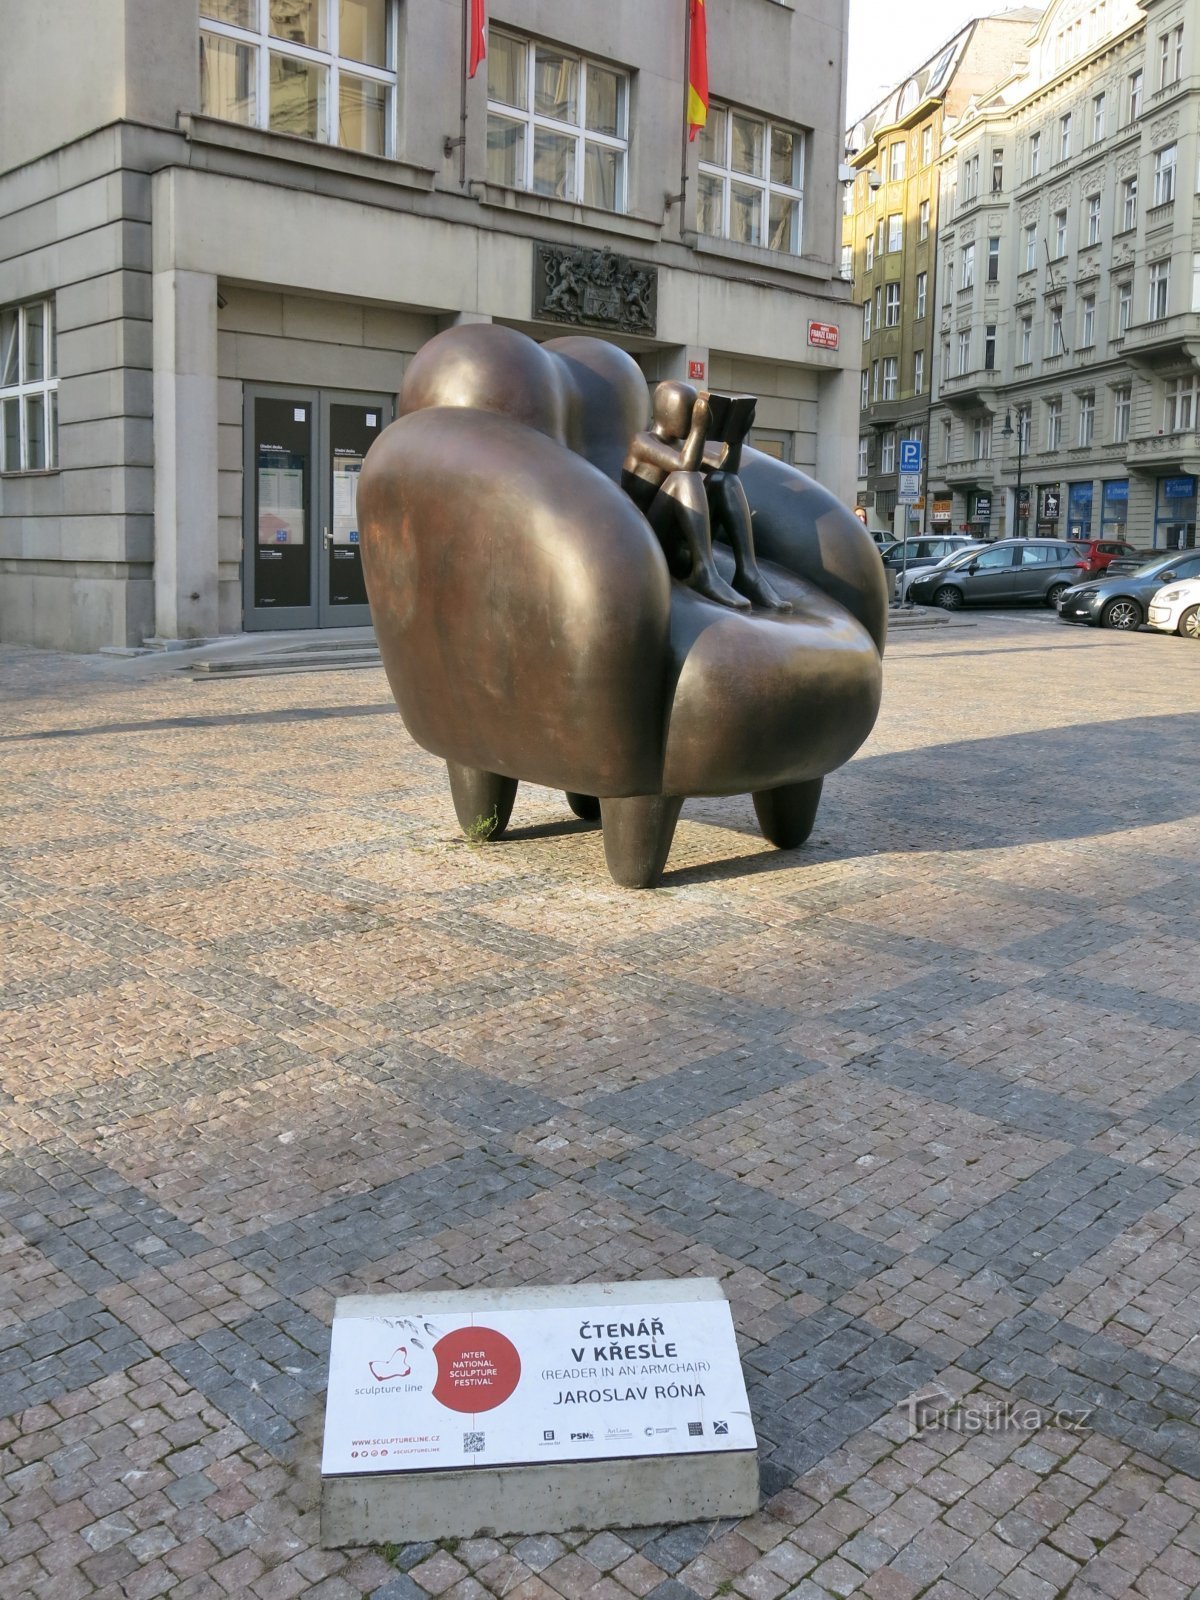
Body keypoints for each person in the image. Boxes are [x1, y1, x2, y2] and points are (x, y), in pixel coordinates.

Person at [621, 381, 748, 610]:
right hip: (649, 544)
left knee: (723, 480)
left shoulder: (681, 447)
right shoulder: (642, 442)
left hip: (678, 547)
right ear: (666, 411)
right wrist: (699, 429)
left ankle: (747, 570)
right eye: (687, 412)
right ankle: (703, 571)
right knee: (684, 478)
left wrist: (735, 439)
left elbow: (725, 469)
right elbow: (684, 465)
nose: (691, 418)